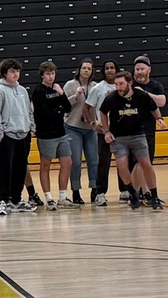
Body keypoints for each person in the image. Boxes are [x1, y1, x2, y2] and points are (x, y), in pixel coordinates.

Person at [99, 70, 164, 210]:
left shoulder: (141, 95)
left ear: (129, 83)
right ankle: (132, 193)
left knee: (146, 164)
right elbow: (103, 112)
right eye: (116, 84)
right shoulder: (111, 98)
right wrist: (106, 131)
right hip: (119, 137)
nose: (118, 87)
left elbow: (154, 107)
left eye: (121, 84)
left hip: (138, 135)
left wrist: (159, 119)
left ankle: (154, 196)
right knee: (122, 165)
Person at [30, 61, 82, 210]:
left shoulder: (57, 88)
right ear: (42, 75)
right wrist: (58, 108)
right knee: (45, 165)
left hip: (61, 132)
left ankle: (62, 197)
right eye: (48, 74)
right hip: (46, 134)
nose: (51, 76)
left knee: (67, 163)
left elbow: (66, 108)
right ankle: (49, 198)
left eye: (52, 73)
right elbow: (44, 113)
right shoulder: (39, 91)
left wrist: (62, 94)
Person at [0, 59, 38, 216]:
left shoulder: (22, 90)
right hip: (7, 135)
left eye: (17, 71)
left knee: (21, 168)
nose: (15, 74)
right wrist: (0, 134)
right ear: (4, 73)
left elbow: (29, 110)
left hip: (23, 134)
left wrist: (31, 127)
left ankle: (16, 200)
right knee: (5, 169)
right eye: (12, 71)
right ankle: (3, 200)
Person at [128, 55, 166, 202]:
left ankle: (143, 194)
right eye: (137, 69)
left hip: (149, 129)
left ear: (149, 70)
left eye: (142, 69)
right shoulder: (129, 85)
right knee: (140, 161)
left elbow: (161, 102)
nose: (139, 72)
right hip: (133, 130)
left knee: (146, 163)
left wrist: (145, 94)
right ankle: (136, 193)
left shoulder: (155, 86)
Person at [62, 59, 99, 204]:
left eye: (89, 69)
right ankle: (75, 191)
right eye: (84, 68)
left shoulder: (95, 86)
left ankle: (94, 190)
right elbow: (63, 105)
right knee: (76, 161)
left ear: (92, 71)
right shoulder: (70, 85)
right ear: (79, 70)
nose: (86, 71)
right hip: (72, 126)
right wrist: (75, 97)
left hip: (90, 128)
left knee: (93, 160)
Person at [83, 59, 119, 206]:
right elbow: (86, 108)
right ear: (103, 71)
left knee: (123, 161)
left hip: (122, 131)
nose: (110, 70)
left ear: (116, 70)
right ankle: (100, 193)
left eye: (112, 67)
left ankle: (125, 191)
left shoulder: (122, 86)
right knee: (103, 163)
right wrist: (92, 123)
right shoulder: (98, 88)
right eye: (107, 68)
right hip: (104, 131)